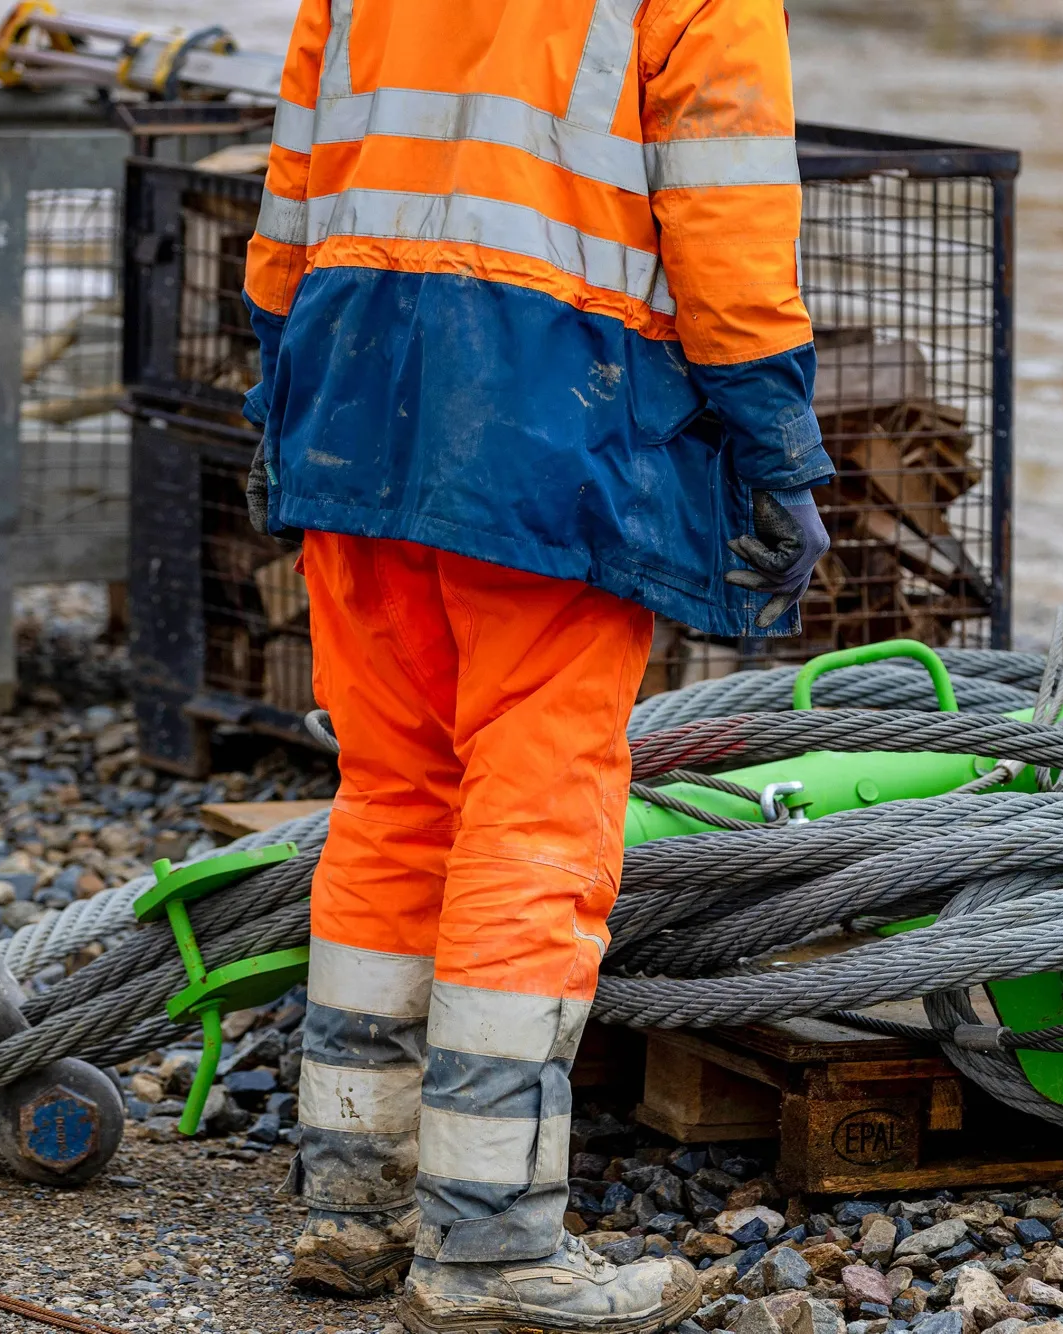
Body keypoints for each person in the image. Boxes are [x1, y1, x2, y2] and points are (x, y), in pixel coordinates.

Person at [240, 1, 832, 1328]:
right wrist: (780, 451)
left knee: (395, 795)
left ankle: (355, 1194)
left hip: (350, 398)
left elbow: (289, 196)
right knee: (535, 812)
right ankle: (489, 1243)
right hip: (550, 434)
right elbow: (729, 230)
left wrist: (284, 375)